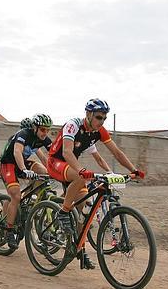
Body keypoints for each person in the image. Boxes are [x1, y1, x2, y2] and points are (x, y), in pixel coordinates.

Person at [47, 98, 145, 269]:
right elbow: (67, 152)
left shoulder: (100, 131)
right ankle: (63, 212)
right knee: (81, 178)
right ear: (89, 114)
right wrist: (81, 171)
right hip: (56, 162)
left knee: (83, 208)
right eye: (99, 117)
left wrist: (134, 170)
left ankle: (79, 250)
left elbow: (116, 152)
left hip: (71, 165)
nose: (102, 122)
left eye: (104, 118)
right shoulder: (73, 125)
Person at [0, 113, 54, 249]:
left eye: (47, 130)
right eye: (42, 129)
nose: (45, 133)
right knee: (16, 195)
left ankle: (29, 199)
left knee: (43, 171)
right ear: (34, 128)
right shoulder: (24, 134)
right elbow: (17, 152)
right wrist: (24, 169)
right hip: (9, 164)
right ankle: (9, 230)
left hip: (22, 164)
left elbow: (50, 156)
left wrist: (56, 171)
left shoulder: (43, 139)